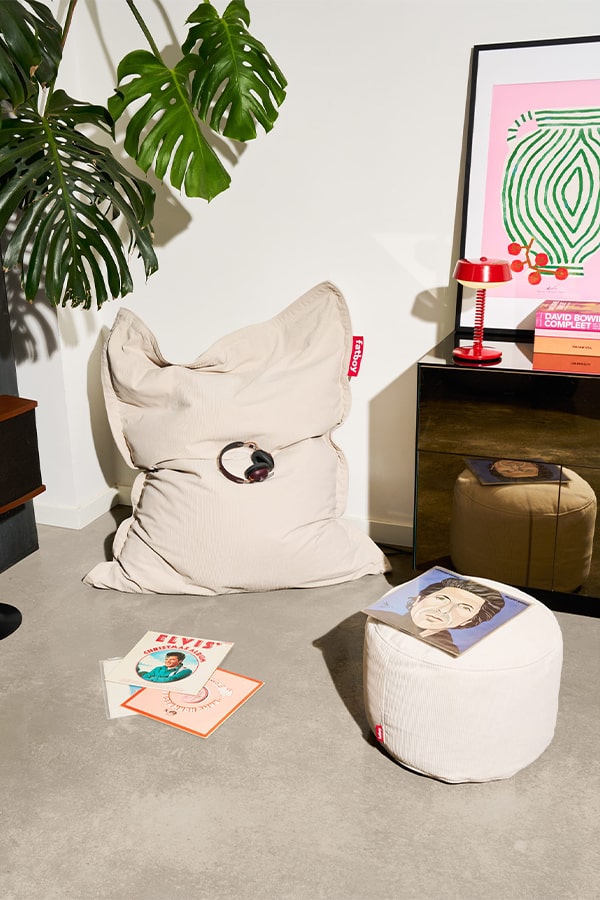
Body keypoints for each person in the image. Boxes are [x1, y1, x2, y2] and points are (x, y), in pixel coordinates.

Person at [373, 576, 505, 654]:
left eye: (465, 607)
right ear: (419, 599)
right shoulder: (381, 616)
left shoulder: (448, 650)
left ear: (468, 621)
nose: (444, 609)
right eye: (441, 598)